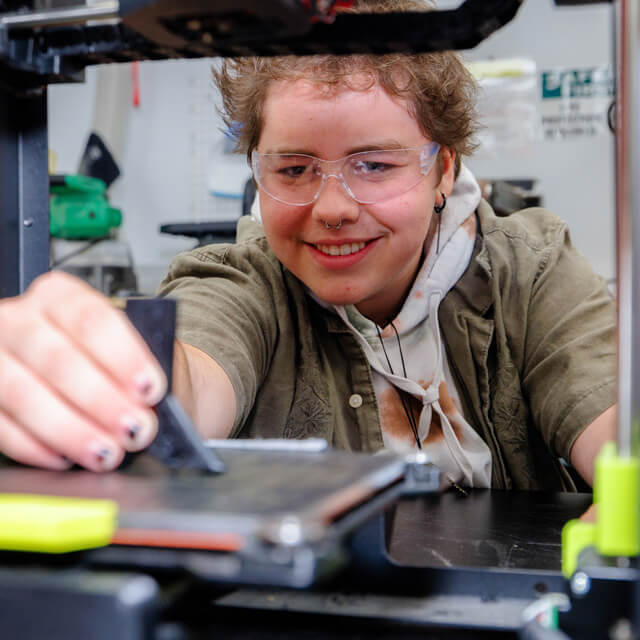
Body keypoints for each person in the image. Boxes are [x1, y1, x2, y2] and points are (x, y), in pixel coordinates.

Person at [0, 0, 616, 490]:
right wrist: (105, 377)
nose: (333, 209)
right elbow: (186, 377)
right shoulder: (246, 281)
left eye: (374, 164)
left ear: (443, 170)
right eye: (293, 170)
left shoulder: (531, 271)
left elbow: (617, 431)